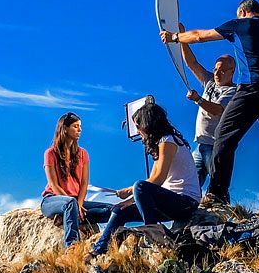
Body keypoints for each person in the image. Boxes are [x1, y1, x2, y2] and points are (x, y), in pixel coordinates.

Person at [160, 0, 259, 218]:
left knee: (224, 136)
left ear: (242, 12)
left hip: (252, 88)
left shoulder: (240, 25)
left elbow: (200, 36)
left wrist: (174, 37)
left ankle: (218, 193)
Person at [85, 103, 201, 260]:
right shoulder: (160, 145)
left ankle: (152, 233)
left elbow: (157, 180)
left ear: (148, 124)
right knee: (120, 210)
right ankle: (98, 250)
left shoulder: (168, 141)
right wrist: (129, 200)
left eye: (139, 126)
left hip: (185, 202)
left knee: (139, 185)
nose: (139, 132)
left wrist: (131, 190)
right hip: (169, 202)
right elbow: (150, 184)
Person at [177, 23, 237, 188]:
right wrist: (182, 38)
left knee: (217, 182)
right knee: (192, 184)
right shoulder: (210, 81)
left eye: (222, 71)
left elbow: (218, 110)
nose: (217, 73)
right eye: (216, 69)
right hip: (201, 144)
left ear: (232, 72)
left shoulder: (233, 91)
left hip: (215, 145)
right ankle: (193, 207)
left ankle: (223, 208)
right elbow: (192, 64)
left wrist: (198, 100)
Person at [41, 112, 113, 248]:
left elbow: (84, 183)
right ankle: (71, 246)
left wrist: (79, 206)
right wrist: (74, 204)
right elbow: (53, 184)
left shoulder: (83, 154)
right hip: (53, 199)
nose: (80, 130)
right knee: (70, 203)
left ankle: (70, 217)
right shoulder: (50, 153)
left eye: (80, 126)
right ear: (65, 128)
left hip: (76, 201)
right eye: (75, 126)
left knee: (111, 210)